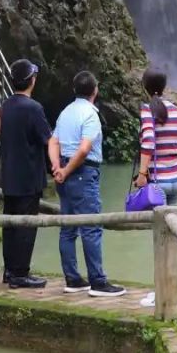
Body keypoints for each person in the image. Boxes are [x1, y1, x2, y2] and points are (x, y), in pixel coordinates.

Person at [48, 70, 125, 297]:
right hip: (82, 173)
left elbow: (53, 141)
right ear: (95, 91)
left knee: (68, 229)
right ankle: (98, 282)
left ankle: (72, 279)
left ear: (75, 90)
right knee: (91, 227)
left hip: (66, 171)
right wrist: (67, 170)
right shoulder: (90, 115)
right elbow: (84, 149)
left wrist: (57, 167)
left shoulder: (65, 112)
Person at [0, 58, 51, 289]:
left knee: (10, 224)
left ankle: (10, 271)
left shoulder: (5, 106)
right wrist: (57, 169)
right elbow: (47, 140)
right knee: (27, 225)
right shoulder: (34, 108)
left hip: (8, 176)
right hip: (28, 177)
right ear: (32, 80)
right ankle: (21, 273)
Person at [134, 68, 177, 206]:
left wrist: (142, 174)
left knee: (158, 225)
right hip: (176, 180)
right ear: (164, 86)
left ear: (145, 88)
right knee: (170, 224)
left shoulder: (147, 109)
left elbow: (149, 141)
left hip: (158, 181)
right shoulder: (175, 109)